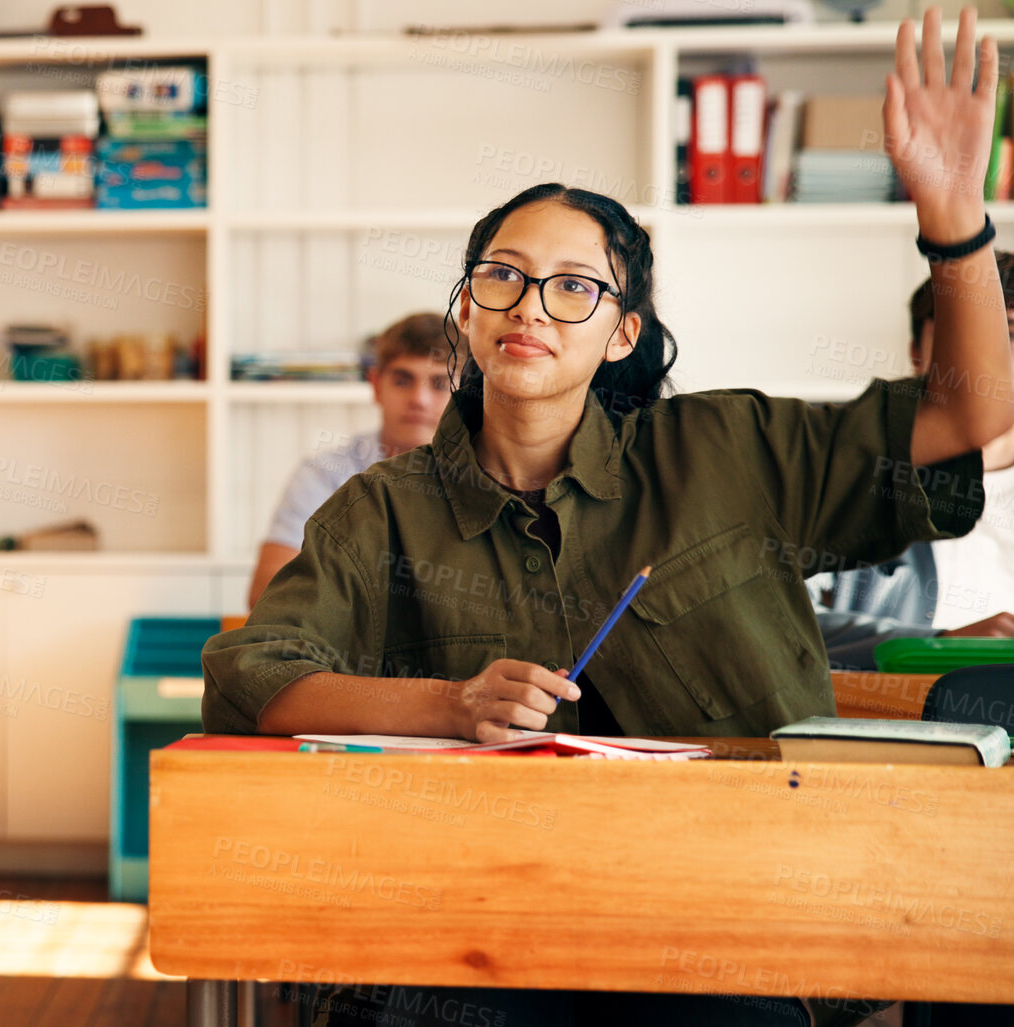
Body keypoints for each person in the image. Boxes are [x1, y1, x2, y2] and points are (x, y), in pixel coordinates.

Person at [204, 11, 1005, 1026]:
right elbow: (253, 673)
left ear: (624, 331)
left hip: (744, 922)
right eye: (501, 275)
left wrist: (952, 212)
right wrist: (452, 707)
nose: (530, 304)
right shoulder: (384, 509)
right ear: (466, 309)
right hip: (490, 915)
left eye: (574, 287)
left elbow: (966, 411)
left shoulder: (729, 449)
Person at [812, 252, 1014, 668]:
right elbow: (773, 625)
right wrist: (935, 645)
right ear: (916, 353)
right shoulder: (845, 472)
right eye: (965, 333)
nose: (991, 359)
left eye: (1008, 333)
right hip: (889, 721)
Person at [247, 312, 452, 608]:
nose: (419, 399)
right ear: (376, 385)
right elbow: (265, 596)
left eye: (439, 383)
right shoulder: (323, 475)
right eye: (402, 380)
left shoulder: (489, 476)